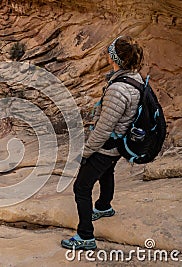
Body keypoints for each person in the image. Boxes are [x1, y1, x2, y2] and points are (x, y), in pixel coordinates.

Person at [61, 35, 144, 250]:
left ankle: (85, 237)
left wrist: (86, 152)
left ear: (115, 57)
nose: (107, 55)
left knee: (81, 186)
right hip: (119, 145)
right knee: (107, 173)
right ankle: (104, 206)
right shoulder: (134, 78)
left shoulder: (118, 90)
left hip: (108, 146)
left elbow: (104, 129)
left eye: (110, 51)